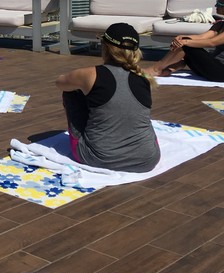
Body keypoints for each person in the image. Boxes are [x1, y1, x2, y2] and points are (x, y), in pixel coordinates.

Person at [55, 23, 160, 173]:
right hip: (147, 159)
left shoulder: (90, 74)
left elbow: (60, 83)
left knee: (71, 92)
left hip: (97, 158)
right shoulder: (144, 78)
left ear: (105, 47)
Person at [145, 0, 224, 83]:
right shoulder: (220, 24)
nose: (216, 6)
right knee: (186, 42)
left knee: (187, 45)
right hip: (214, 68)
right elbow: (203, 37)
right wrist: (182, 37)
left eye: (220, 4)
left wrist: (185, 43)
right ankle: (171, 69)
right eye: (217, 2)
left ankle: (156, 69)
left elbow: (212, 42)